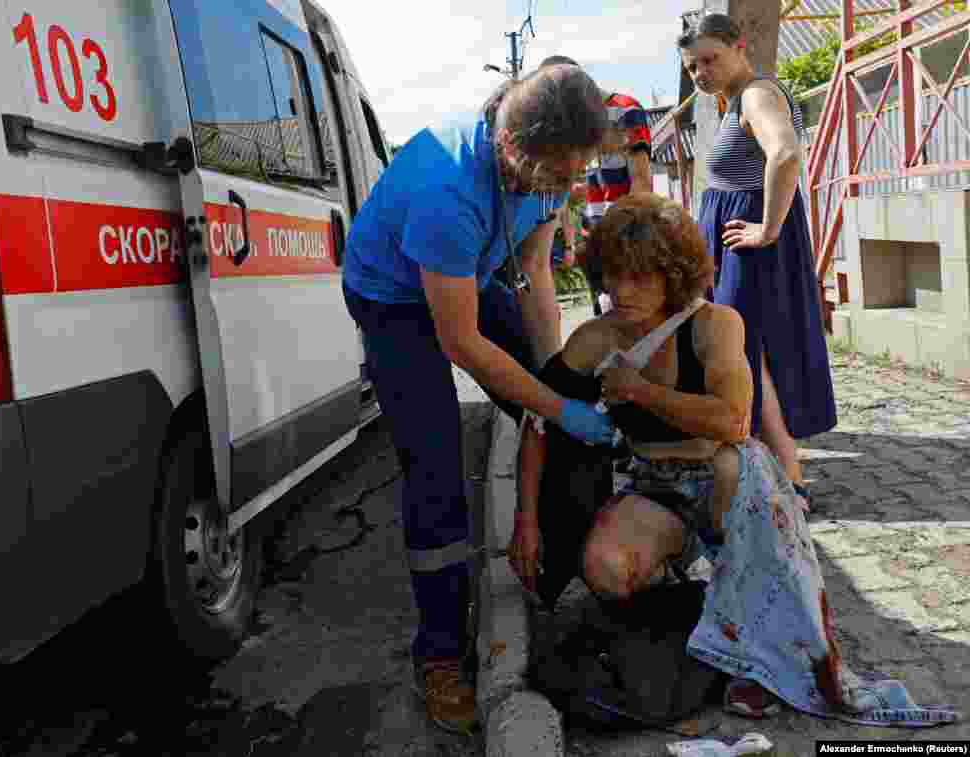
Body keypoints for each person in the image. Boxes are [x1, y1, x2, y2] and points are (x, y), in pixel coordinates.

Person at [507, 193, 958, 726]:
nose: (622, 291)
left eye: (640, 276)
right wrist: (526, 522)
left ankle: (753, 652)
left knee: (733, 468)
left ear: (673, 275)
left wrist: (639, 390)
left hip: (728, 482)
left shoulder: (715, 324)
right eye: (613, 275)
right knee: (606, 571)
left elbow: (733, 423)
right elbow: (538, 419)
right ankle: (707, 613)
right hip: (655, 483)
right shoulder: (595, 339)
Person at [341, 64, 613, 733]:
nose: (564, 187)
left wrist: (552, 379)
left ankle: (562, 562)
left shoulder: (546, 168)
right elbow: (460, 342)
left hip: (468, 273)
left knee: (552, 397)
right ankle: (438, 653)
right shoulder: (448, 189)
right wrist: (553, 406)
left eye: (573, 175)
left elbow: (536, 271)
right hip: (392, 298)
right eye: (555, 176)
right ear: (513, 150)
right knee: (435, 466)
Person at [678, 13, 837, 510]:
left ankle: (790, 478)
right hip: (735, 243)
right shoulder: (732, 100)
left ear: (739, 46)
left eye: (710, 60)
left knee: (746, 354)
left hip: (751, 244)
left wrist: (766, 228)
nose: (701, 73)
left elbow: (785, 153)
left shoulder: (756, 95)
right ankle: (777, 471)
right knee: (748, 354)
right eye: (692, 67)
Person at [538, 55, 654, 317]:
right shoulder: (574, 123)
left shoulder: (625, 109)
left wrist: (621, 235)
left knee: (635, 321)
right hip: (593, 239)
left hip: (627, 236)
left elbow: (642, 181)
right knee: (605, 322)